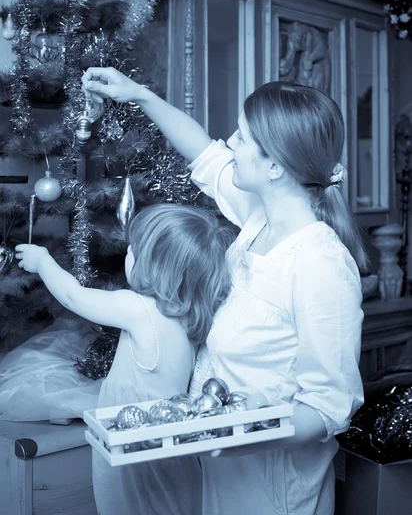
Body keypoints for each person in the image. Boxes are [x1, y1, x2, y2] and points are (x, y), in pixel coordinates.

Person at [81, 66, 366, 515]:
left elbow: (328, 405)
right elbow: (203, 152)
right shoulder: (259, 217)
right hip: (219, 474)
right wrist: (137, 93)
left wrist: (246, 432)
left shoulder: (319, 266)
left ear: (274, 166)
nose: (230, 142)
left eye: (243, 137)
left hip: (273, 490)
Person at [15, 202, 234, 515]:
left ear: (154, 266)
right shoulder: (190, 314)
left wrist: (43, 262)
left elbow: (74, 296)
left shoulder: (139, 309)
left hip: (131, 443)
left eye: (133, 251)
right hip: (168, 439)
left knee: (127, 505)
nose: (126, 256)